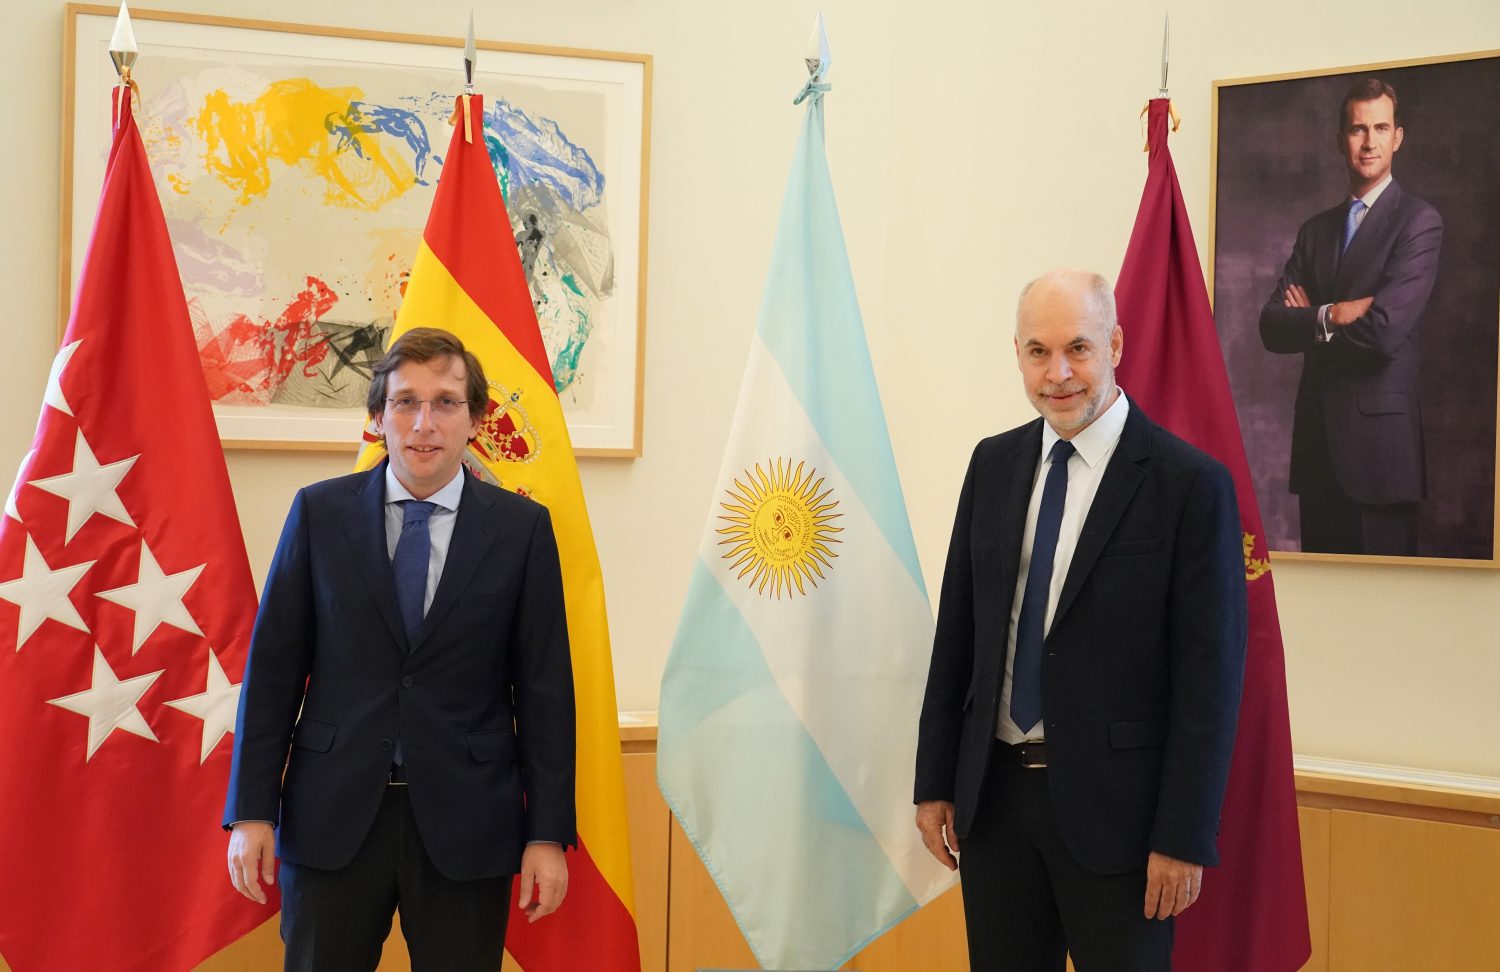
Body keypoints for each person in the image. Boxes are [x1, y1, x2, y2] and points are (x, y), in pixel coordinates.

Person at [914, 270, 1248, 970]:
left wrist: (1183, 835)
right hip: (994, 807)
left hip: (1124, 824)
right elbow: (959, 634)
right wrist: (935, 780)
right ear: (1017, 354)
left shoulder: (1190, 485)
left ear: (1115, 345)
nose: (1058, 374)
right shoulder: (992, 464)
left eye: (1078, 349)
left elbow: (1209, 681)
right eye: (1038, 352)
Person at [223, 328, 576, 971]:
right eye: (405, 401)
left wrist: (547, 834)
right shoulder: (320, 513)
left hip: (468, 822)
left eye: (445, 403)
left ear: (475, 420)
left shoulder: (521, 530)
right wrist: (251, 811)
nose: (423, 423)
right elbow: (272, 673)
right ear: (378, 416)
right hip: (331, 817)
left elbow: (545, 691)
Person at [1258, 77, 1443, 556]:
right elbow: (1272, 326)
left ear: (1397, 137)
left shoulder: (1419, 222)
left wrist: (1311, 324)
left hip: (1381, 457)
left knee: (1385, 600)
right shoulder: (1314, 231)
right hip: (1318, 449)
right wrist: (1334, 314)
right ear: (1340, 139)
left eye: (1380, 128)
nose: (1369, 141)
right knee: (1323, 598)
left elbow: (1383, 333)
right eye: (1358, 129)